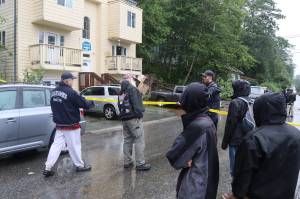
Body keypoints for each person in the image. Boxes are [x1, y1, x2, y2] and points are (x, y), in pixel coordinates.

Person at [223, 92, 300, 199]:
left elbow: (243, 173)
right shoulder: (296, 134)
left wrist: (236, 194)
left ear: (260, 110)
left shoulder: (254, 138)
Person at [166, 82, 219, 199]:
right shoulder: (208, 121)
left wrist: (185, 160)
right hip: (207, 183)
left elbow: (174, 157)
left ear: (190, 101)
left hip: (195, 188)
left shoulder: (197, 127)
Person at [43, 72, 95, 177]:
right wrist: (92, 102)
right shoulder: (72, 92)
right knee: (75, 146)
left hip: (59, 125)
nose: (72, 82)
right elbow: (84, 104)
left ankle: (47, 168)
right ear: (67, 81)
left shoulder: (53, 92)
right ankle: (80, 166)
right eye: (72, 80)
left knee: (56, 146)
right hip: (71, 125)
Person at [118, 74, 151, 171]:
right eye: (133, 79)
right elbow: (137, 105)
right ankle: (140, 163)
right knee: (139, 140)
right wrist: (140, 115)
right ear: (129, 80)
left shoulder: (121, 91)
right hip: (133, 119)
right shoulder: (132, 89)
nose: (134, 80)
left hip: (124, 119)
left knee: (127, 140)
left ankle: (127, 162)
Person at [221, 80, 252, 176]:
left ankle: (235, 190)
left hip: (235, 140)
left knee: (235, 168)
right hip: (248, 138)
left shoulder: (235, 103)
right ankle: (243, 189)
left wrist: (225, 142)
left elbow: (230, 124)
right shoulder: (250, 101)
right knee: (244, 166)